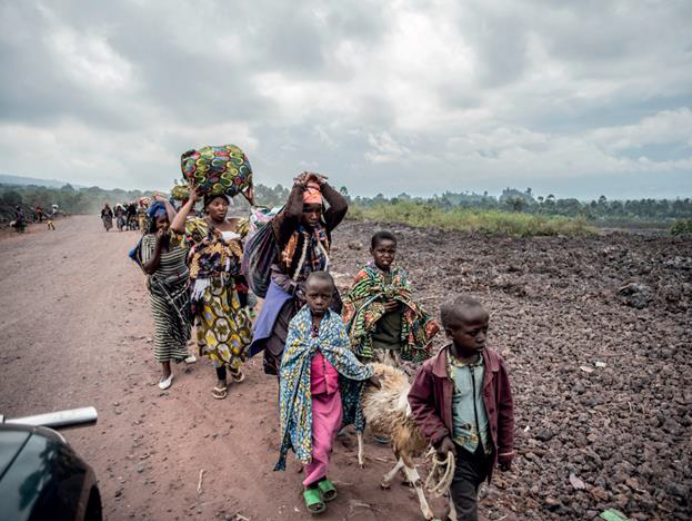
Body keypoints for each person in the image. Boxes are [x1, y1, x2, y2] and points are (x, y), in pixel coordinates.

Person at [275, 271, 375, 515]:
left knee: (327, 442)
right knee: (315, 445)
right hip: (308, 398)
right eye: (314, 296)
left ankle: (320, 477)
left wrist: (365, 373)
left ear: (332, 297)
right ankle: (310, 485)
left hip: (332, 396)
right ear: (304, 295)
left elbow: (344, 354)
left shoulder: (336, 323)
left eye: (325, 296)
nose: (319, 301)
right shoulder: (298, 324)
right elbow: (290, 360)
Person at [408, 296, 515, 521]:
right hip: (457, 453)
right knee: (468, 512)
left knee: (467, 497)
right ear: (450, 333)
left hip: (486, 451)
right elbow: (418, 401)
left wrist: (505, 449)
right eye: (473, 333)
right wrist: (439, 435)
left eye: (485, 330)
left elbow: (505, 406)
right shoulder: (434, 369)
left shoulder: (494, 364)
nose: (482, 337)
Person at [249, 172, 348, 376]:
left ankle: (317, 388)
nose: (313, 215)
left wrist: (321, 184)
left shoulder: (322, 227)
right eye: (307, 210)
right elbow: (292, 213)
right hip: (291, 296)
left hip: (318, 295)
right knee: (287, 352)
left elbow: (340, 206)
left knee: (323, 349)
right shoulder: (284, 228)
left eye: (317, 210)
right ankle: (288, 391)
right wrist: (299, 185)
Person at [171, 186, 253, 399]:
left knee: (238, 330)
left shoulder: (237, 224)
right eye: (216, 204)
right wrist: (191, 200)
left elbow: (262, 226)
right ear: (207, 206)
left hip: (234, 288)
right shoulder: (200, 226)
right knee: (216, 335)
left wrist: (251, 201)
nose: (221, 207)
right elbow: (176, 226)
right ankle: (221, 378)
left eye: (224, 204)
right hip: (209, 290)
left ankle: (233, 364)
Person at [342, 230, 439, 368]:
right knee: (375, 374)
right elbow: (352, 305)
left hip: (394, 339)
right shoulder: (366, 275)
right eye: (381, 251)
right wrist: (379, 308)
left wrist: (401, 302)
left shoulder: (398, 276)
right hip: (374, 341)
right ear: (371, 251)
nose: (386, 255)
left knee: (392, 372)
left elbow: (407, 297)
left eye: (391, 251)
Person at [140, 200, 194, 390]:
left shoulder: (180, 237)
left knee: (182, 321)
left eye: (167, 221)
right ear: (154, 223)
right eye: (160, 222)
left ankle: (183, 351)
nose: (164, 225)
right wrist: (158, 245)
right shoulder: (149, 240)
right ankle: (166, 371)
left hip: (181, 289)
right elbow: (148, 269)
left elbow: (188, 258)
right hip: (160, 291)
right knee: (163, 328)